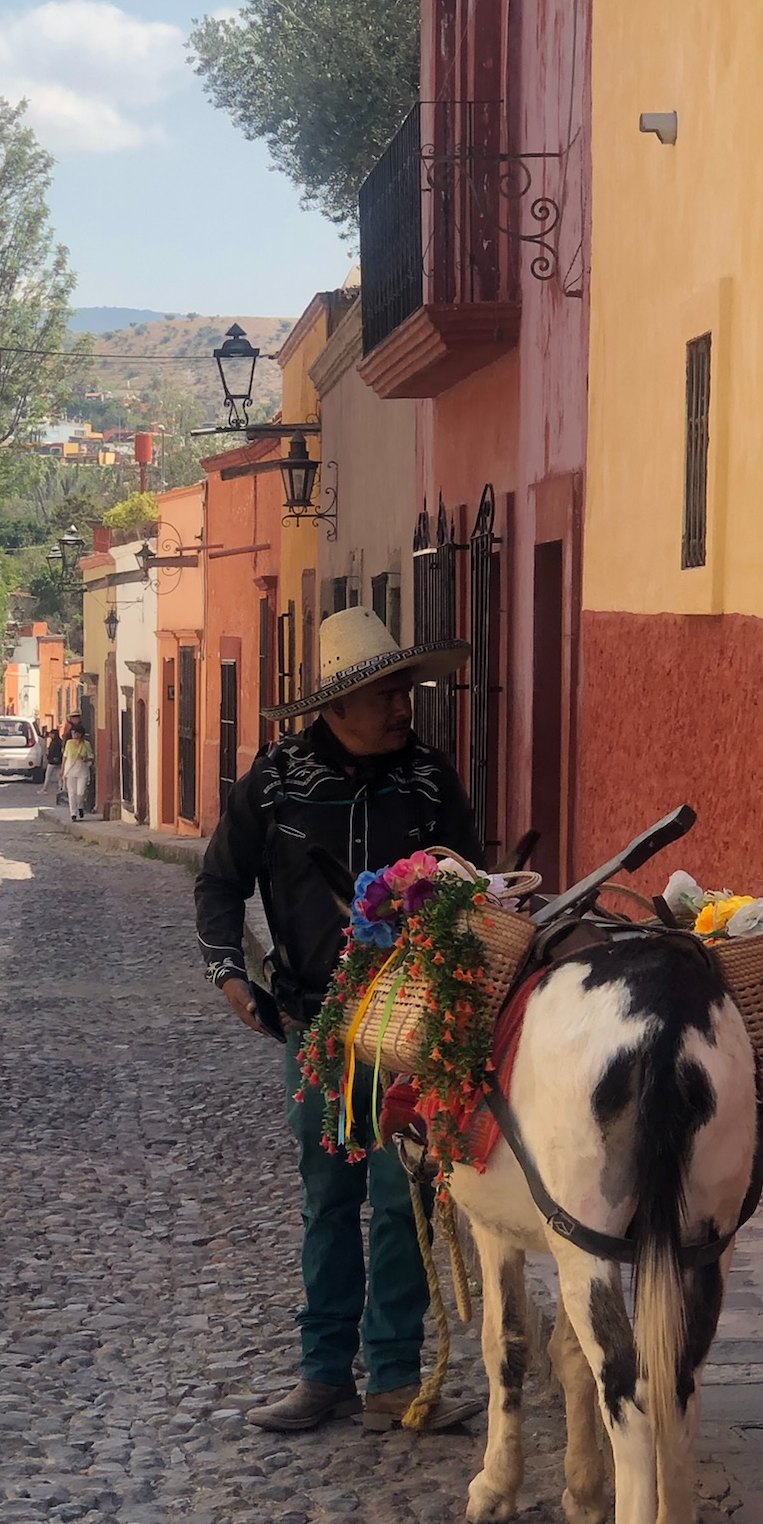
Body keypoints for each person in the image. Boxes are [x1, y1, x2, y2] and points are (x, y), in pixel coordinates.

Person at [196, 607, 486, 1434]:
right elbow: (219, 884)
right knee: (329, 1197)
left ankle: (394, 1376)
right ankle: (323, 1374)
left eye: (407, 690)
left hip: (412, 1031)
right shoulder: (277, 781)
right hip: (316, 1024)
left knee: (403, 1198)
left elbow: (474, 885)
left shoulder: (431, 781)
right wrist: (229, 975)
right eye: (389, 693)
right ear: (339, 704)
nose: (405, 707)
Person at [61, 716, 94, 822]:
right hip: (70, 770)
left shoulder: (86, 744)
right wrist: (62, 770)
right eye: (73, 733)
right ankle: (73, 813)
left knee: (80, 792)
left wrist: (84, 758)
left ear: (81, 734)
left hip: (82, 771)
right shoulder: (69, 743)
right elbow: (65, 757)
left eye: (76, 733)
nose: (74, 735)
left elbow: (91, 756)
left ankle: (80, 806)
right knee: (72, 793)